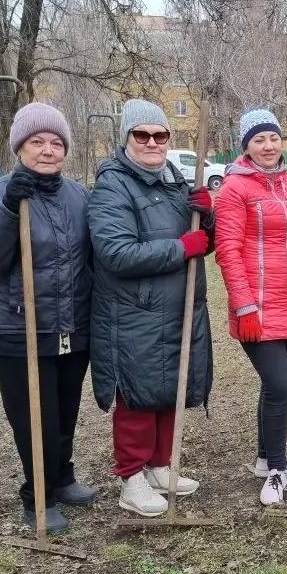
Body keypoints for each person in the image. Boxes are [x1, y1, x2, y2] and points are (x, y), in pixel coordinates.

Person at [0, 102, 95, 533]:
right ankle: (38, 494)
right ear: (19, 147)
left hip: (72, 325)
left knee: (65, 408)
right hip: (19, 327)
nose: (48, 150)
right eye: (38, 142)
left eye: (56, 143)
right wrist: (9, 208)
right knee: (34, 416)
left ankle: (63, 475)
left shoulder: (78, 196)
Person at [88, 99, 215, 517]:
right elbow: (117, 253)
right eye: (141, 135)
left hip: (176, 307)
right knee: (138, 396)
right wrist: (181, 247)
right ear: (125, 139)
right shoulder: (113, 185)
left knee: (167, 390)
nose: (151, 142)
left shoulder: (175, 182)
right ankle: (131, 478)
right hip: (134, 311)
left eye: (159, 135)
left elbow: (201, 244)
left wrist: (205, 219)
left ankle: (161, 466)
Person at [215, 109, 287, 506]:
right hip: (256, 306)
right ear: (246, 145)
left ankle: (265, 459)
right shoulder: (234, 189)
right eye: (259, 139)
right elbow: (228, 249)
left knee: (274, 385)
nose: (268, 146)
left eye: (273, 138)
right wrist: (243, 305)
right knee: (279, 384)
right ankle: (278, 469)